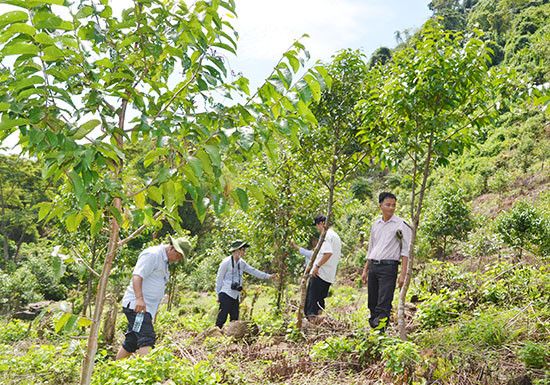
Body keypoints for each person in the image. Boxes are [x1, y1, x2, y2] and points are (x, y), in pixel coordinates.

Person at [116, 236, 191, 360]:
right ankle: (147, 374)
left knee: (132, 340)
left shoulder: (164, 260)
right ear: (172, 248)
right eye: (178, 256)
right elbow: (137, 276)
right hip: (138, 306)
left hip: (145, 308)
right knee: (147, 337)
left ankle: (115, 369)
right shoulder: (153, 255)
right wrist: (139, 299)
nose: (177, 260)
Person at [361, 192, 412, 332]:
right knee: (372, 301)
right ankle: (375, 328)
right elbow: (371, 248)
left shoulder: (401, 224)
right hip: (374, 266)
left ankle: (380, 332)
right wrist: (366, 269)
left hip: (389, 267)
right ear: (380, 206)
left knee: (384, 301)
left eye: (394, 205)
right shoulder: (375, 225)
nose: (391, 208)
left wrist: (403, 275)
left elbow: (405, 251)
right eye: (388, 205)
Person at [215, 240, 275, 328]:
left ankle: (232, 338)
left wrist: (268, 276)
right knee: (221, 319)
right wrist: (218, 294)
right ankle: (216, 336)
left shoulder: (241, 263)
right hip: (226, 293)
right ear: (237, 250)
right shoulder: (226, 262)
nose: (244, 252)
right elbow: (219, 278)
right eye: (242, 249)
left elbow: (253, 271)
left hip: (235, 295)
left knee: (235, 320)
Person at [304, 215, 342, 318]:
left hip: (320, 274)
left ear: (321, 224)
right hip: (328, 275)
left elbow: (328, 253)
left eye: (317, 226)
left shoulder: (326, 235)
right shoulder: (335, 236)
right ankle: (318, 326)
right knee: (319, 302)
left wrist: (316, 266)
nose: (317, 229)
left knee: (311, 304)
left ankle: (312, 324)